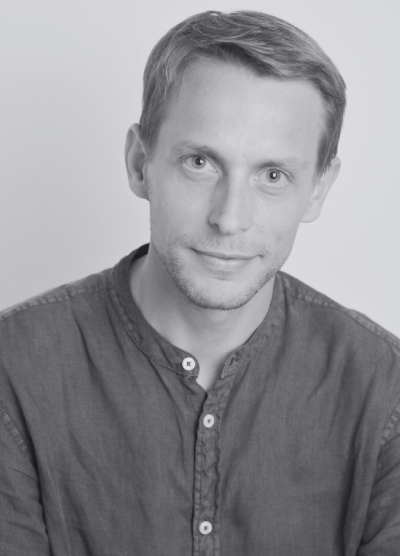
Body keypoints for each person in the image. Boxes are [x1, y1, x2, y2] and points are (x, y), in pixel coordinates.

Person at [0, 9, 399, 555]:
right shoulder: (14, 370)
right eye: (200, 163)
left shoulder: (384, 389)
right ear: (140, 163)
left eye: (273, 175)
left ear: (317, 190)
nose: (229, 219)